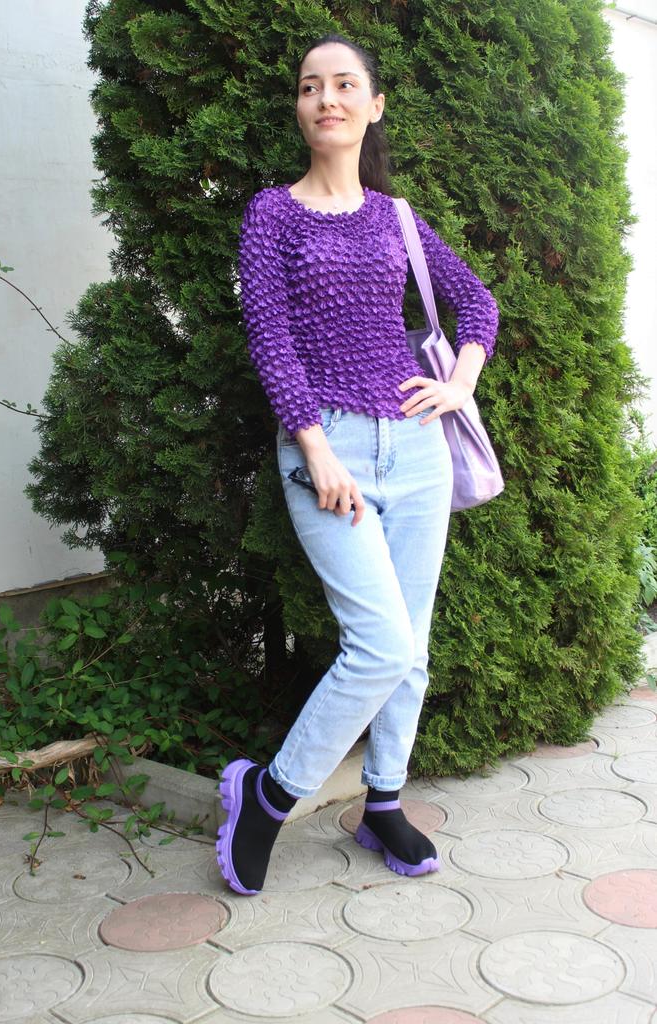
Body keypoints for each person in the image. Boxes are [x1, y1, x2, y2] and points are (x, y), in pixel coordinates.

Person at [215, 32, 499, 896]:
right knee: (379, 646)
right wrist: (316, 448)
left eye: (344, 85)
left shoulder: (395, 217)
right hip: (326, 451)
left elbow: (476, 301)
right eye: (311, 87)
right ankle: (269, 796)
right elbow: (271, 340)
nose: (326, 98)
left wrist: (458, 383)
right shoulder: (272, 214)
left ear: (373, 107)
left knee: (411, 649)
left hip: (414, 450)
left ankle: (383, 802)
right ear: (300, 109)